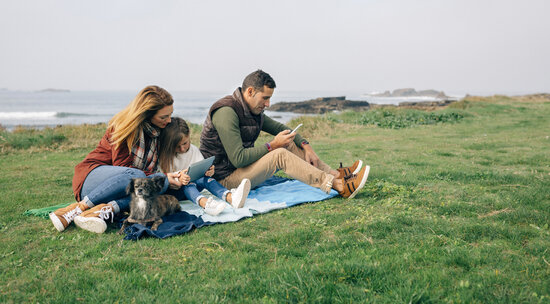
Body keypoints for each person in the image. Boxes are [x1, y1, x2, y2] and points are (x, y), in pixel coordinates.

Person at [200, 70, 369, 198]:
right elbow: (239, 158)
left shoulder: (252, 110)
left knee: (287, 142)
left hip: (240, 170)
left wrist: (306, 145)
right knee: (279, 153)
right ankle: (337, 186)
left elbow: (282, 129)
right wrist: (272, 145)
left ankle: (336, 174)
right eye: (265, 98)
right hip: (223, 180)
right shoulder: (226, 112)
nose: (268, 104)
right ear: (250, 91)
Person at [49, 85, 181, 233]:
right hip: (92, 179)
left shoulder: (156, 133)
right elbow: (125, 169)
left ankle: (102, 211)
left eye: (170, 115)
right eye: (164, 117)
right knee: (138, 176)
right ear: (147, 114)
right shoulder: (123, 127)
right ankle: (77, 208)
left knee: (161, 183)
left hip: (121, 186)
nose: (169, 120)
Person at [158, 117, 251, 216]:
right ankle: (206, 205)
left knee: (206, 179)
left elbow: (200, 169)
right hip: (175, 192)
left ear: (189, 135)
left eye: (185, 143)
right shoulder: (165, 156)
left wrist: (209, 171)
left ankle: (231, 198)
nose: (182, 148)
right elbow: (162, 177)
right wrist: (179, 178)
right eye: (177, 146)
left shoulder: (193, 150)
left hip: (192, 187)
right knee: (188, 184)